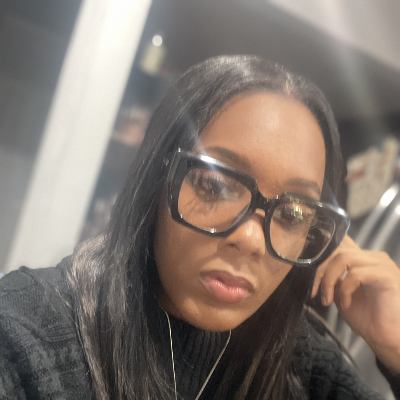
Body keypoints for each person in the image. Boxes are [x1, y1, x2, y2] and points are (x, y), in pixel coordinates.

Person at [0, 55, 399, 400]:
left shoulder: (298, 364)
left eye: (293, 214)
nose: (251, 240)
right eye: (214, 185)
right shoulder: (25, 337)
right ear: (157, 178)